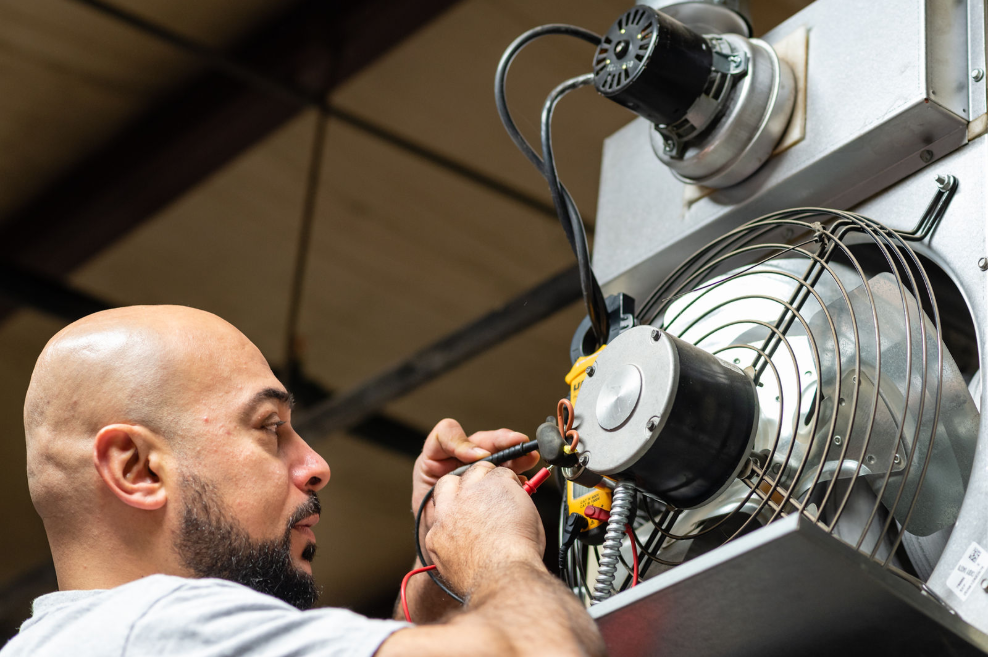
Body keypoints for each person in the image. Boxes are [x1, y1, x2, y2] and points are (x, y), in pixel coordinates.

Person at [1, 305, 605, 657]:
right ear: (136, 468)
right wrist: (498, 552)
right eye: (269, 428)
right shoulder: (154, 629)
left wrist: (437, 571)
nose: (317, 465)